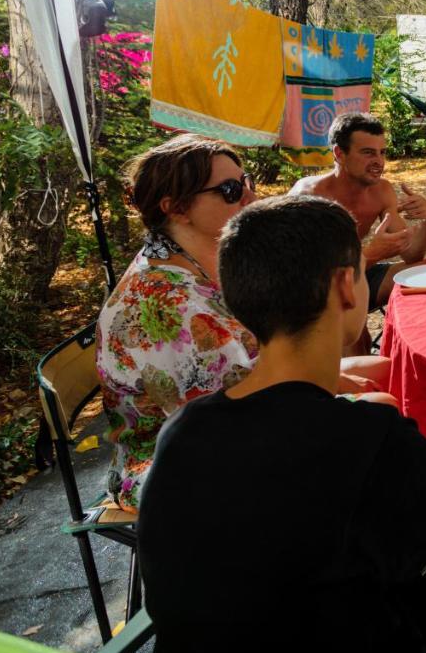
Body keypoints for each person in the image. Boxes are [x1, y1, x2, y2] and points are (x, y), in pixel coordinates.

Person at [138, 195, 426, 653]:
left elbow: (305, 494)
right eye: (362, 270)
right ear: (345, 286)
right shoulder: (367, 436)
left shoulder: (183, 428)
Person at [95, 134, 396, 511]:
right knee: (379, 408)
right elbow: (230, 422)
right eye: (230, 189)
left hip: (241, 400)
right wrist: (333, 396)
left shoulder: (196, 260)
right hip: (174, 466)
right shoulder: (164, 306)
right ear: (177, 208)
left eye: (246, 181)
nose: (250, 196)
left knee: (385, 370)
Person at [290, 112, 426, 309]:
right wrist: (373, 254)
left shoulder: (382, 191)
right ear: (339, 154)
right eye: (368, 152)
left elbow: (412, 256)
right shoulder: (310, 197)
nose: (379, 161)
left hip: (359, 271)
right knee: (356, 335)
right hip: (313, 292)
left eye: (382, 152)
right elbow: (310, 278)